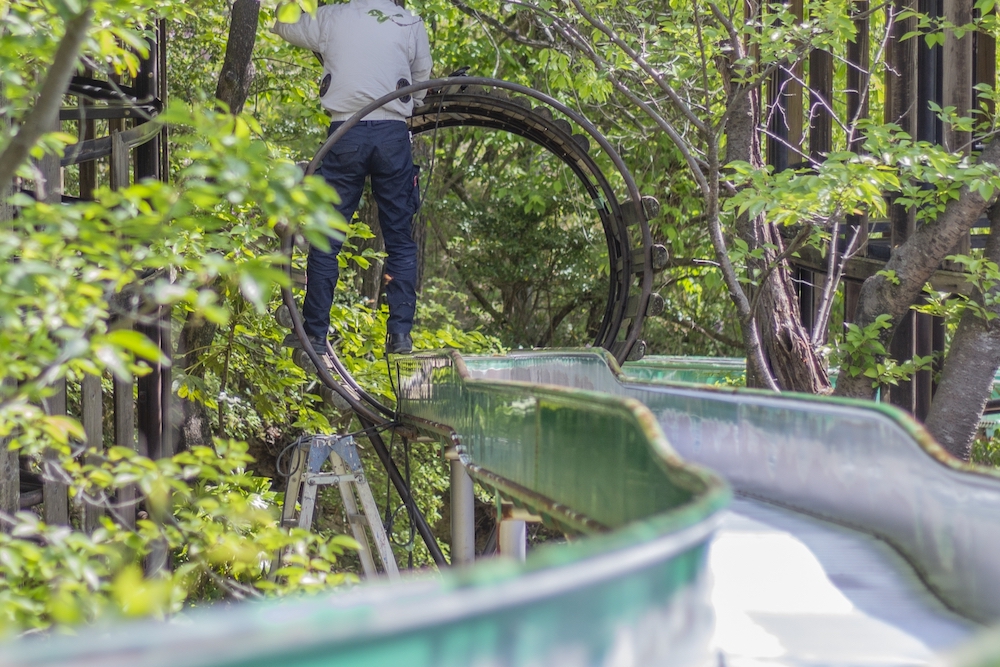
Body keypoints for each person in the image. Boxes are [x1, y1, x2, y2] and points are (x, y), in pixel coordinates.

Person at [273, 0, 432, 355]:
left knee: (327, 238)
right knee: (400, 241)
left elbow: (284, 24)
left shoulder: (333, 17)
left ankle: (315, 333)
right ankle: (400, 336)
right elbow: (422, 83)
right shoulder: (408, 21)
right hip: (392, 134)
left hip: (345, 133)